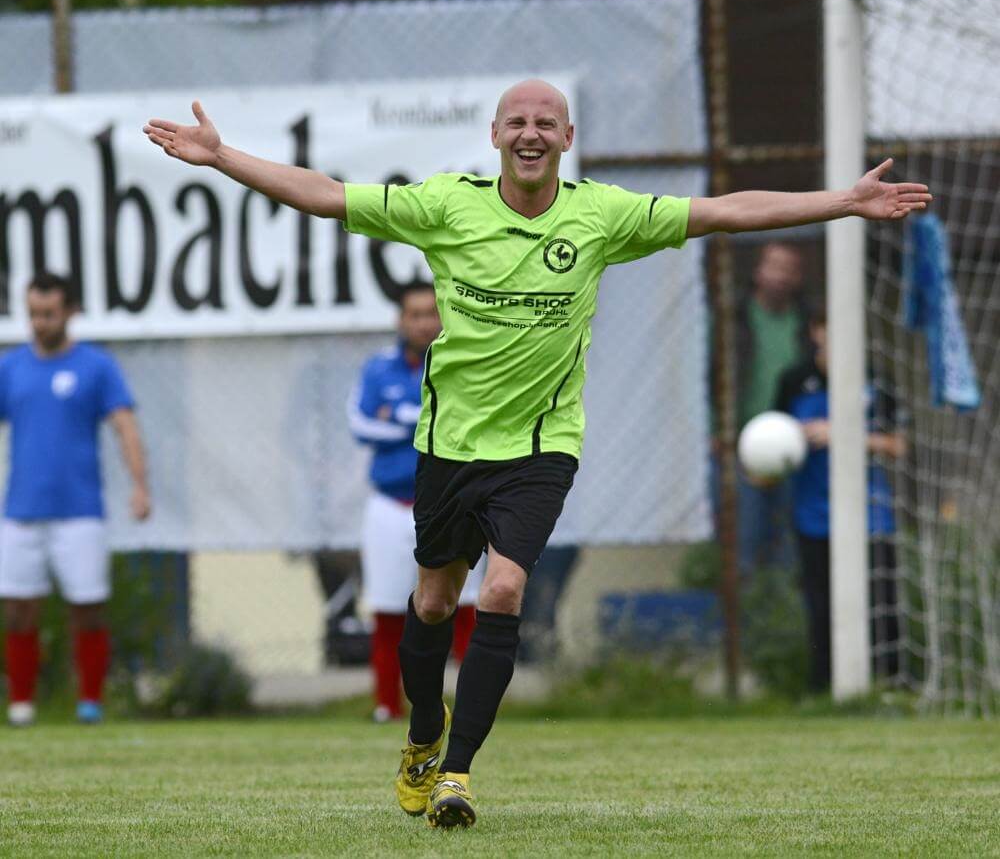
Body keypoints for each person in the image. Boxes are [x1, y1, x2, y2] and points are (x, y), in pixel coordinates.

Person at [144, 78, 930, 827]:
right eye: (516, 122)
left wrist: (843, 202)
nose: (530, 133)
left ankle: (457, 771)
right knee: (430, 604)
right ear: (495, 135)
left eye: (545, 123)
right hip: (449, 445)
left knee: (505, 590)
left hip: (540, 448)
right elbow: (324, 194)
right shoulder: (446, 205)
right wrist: (223, 158)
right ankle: (423, 732)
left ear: (567, 138)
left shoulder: (602, 216)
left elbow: (724, 210)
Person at [1, 274, 151, 727]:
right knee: (18, 608)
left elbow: (124, 426)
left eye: (48, 313)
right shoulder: (11, 368)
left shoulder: (96, 367)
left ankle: (90, 702)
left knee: (87, 606)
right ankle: (23, 704)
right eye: (33, 314)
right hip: (21, 510)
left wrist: (140, 485)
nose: (40, 323)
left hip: (80, 509)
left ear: (70, 312)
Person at [347, 282, 479, 722]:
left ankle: (473, 704)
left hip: (449, 503)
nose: (424, 322)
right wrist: (422, 420)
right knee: (388, 608)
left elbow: (470, 422)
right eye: (415, 314)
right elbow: (362, 424)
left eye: (431, 313)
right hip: (391, 504)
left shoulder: (463, 360)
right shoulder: (378, 369)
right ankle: (387, 704)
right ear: (400, 320)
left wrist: (403, 417)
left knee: (462, 606)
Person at [774, 307, 905, 693]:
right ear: (817, 331)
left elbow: (898, 445)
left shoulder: (876, 380)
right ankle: (824, 690)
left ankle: (892, 686)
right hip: (814, 514)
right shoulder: (795, 381)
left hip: (870, 514)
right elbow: (773, 438)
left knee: (882, 604)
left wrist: (842, 433)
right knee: (821, 607)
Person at [735, 243, 811, 575]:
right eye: (774, 267)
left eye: (789, 269)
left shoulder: (808, 325)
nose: (780, 276)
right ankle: (747, 616)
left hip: (797, 443)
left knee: (791, 544)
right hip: (738, 444)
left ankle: (786, 617)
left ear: (799, 278)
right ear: (758, 272)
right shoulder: (733, 318)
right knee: (745, 537)